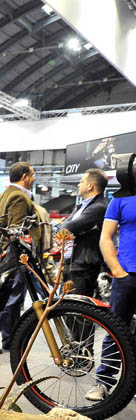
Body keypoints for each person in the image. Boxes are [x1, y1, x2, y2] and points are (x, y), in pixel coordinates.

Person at [88, 156, 136, 401]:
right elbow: (106, 237)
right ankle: (104, 381)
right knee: (116, 329)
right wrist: (118, 271)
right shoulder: (120, 200)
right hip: (127, 275)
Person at [0, 161, 40, 353]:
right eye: (32, 174)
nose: (34, 178)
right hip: (13, 256)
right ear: (24, 176)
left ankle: (6, 339)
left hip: (2, 253)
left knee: (7, 297)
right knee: (11, 299)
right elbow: (16, 232)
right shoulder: (19, 196)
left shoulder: (4, 194)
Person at [57, 168, 108, 296]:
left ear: (90, 186)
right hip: (71, 264)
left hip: (83, 267)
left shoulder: (98, 207)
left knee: (76, 305)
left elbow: (67, 228)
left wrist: (69, 229)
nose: (79, 185)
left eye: (81, 182)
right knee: (64, 303)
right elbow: (62, 228)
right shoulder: (82, 206)